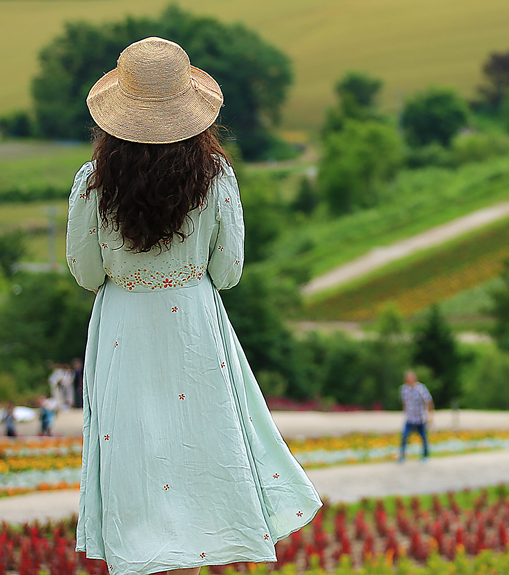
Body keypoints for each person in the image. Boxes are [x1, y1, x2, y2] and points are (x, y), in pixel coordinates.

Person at [66, 36, 320, 575]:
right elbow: (228, 273)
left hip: (123, 329)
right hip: (193, 329)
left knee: (137, 457)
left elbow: (87, 273)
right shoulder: (215, 177)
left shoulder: (92, 183)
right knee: (198, 457)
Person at [399, 370, 433, 461]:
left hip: (420, 418)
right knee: (404, 437)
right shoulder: (404, 389)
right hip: (410, 418)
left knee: (424, 438)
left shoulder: (421, 388)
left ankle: (425, 455)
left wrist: (429, 415)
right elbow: (404, 402)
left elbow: (428, 401)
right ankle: (402, 456)